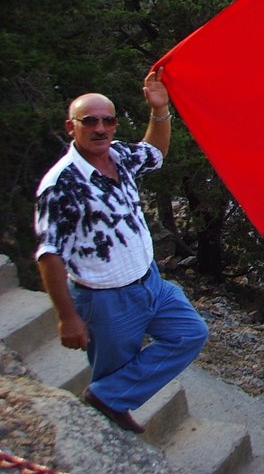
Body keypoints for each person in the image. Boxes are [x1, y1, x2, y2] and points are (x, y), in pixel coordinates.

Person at [34, 69, 208, 434]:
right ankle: (108, 415)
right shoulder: (62, 184)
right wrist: (67, 317)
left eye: (107, 120)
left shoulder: (119, 156)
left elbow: (154, 153)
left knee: (190, 333)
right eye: (90, 121)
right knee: (113, 366)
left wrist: (159, 110)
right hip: (105, 298)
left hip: (151, 283)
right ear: (72, 127)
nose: (100, 128)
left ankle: (109, 398)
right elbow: (50, 254)